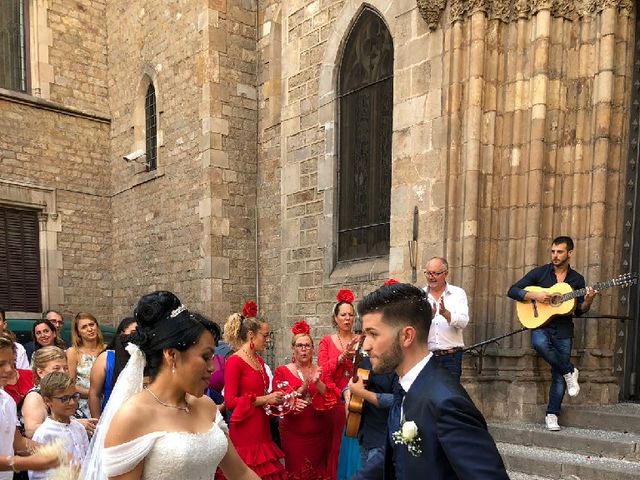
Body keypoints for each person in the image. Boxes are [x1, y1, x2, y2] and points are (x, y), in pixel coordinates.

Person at [83, 290, 260, 480]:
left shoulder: (206, 405)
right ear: (172, 355)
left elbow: (240, 473)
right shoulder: (133, 416)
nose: (213, 368)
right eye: (205, 357)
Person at [359, 282, 509, 479]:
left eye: (373, 334)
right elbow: (392, 454)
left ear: (407, 336)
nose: (366, 346)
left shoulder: (447, 403)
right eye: (364, 335)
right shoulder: (405, 385)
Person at [507, 236, 596, 431]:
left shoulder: (576, 279)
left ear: (569, 253)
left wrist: (588, 300)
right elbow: (512, 291)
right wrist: (534, 295)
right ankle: (569, 370)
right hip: (541, 325)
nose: (555, 255)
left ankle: (552, 414)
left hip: (564, 329)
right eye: (553, 251)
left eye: (560, 252)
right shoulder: (540, 273)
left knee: (558, 375)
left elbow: (579, 310)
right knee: (539, 344)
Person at [221, 301, 287, 480]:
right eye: (265, 336)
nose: (268, 340)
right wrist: (266, 399)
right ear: (251, 335)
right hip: (245, 433)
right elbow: (230, 401)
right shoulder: (234, 361)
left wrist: (277, 398)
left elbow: (263, 392)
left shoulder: (258, 360)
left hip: (262, 429)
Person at [273, 320, 336, 479]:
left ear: (312, 349)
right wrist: (298, 393)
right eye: (300, 345)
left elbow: (331, 398)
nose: (303, 349)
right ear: (293, 349)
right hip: (294, 433)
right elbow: (277, 399)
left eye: (307, 346)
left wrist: (317, 382)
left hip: (320, 432)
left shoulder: (321, 371)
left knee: (319, 473)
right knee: (296, 472)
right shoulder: (282, 371)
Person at [0, 334, 61, 479]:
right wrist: (26, 463)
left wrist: (57, 453)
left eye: (12, 362)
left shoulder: (7, 401)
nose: (9, 369)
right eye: (1, 364)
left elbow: (18, 443)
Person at [317, 289, 362, 480]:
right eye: (343, 315)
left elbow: (364, 371)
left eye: (351, 315)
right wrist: (341, 357)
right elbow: (323, 371)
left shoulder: (360, 340)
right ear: (335, 318)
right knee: (336, 445)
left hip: (356, 400)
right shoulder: (327, 342)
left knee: (355, 444)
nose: (348, 319)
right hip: (335, 400)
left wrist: (355, 359)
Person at [30, 371, 89, 480]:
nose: (72, 403)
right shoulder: (44, 434)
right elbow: (37, 474)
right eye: (64, 399)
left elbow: (86, 458)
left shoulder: (79, 427)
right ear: (48, 401)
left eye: (74, 396)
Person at [348, 356, 396, 480]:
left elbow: (398, 400)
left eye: (374, 335)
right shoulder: (364, 362)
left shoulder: (397, 364)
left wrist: (363, 394)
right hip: (364, 433)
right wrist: (346, 392)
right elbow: (352, 384)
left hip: (382, 436)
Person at [422, 257, 469, 380]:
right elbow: (415, 327)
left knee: (449, 396)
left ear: (446, 274)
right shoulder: (421, 296)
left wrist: (445, 313)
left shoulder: (458, 293)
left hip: (451, 357)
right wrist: (429, 317)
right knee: (428, 396)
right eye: (428, 273)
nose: (431, 277)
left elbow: (463, 322)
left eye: (435, 273)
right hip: (427, 357)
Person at [88, 317, 138, 417]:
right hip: (111, 414)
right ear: (121, 333)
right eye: (133, 332)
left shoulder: (143, 358)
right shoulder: (106, 358)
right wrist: (97, 424)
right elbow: (94, 394)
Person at [21, 346, 70, 438]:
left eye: (65, 368)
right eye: (56, 369)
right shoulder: (35, 397)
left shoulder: (64, 392)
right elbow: (31, 430)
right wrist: (73, 425)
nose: (63, 372)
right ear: (40, 372)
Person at [66, 312, 106, 418]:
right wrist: (94, 394)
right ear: (78, 332)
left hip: (107, 402)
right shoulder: (73, 352)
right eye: (84, 327)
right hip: (84, 406)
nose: (89, 329)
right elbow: (70, 385)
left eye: (92, 324)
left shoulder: (107, 350)